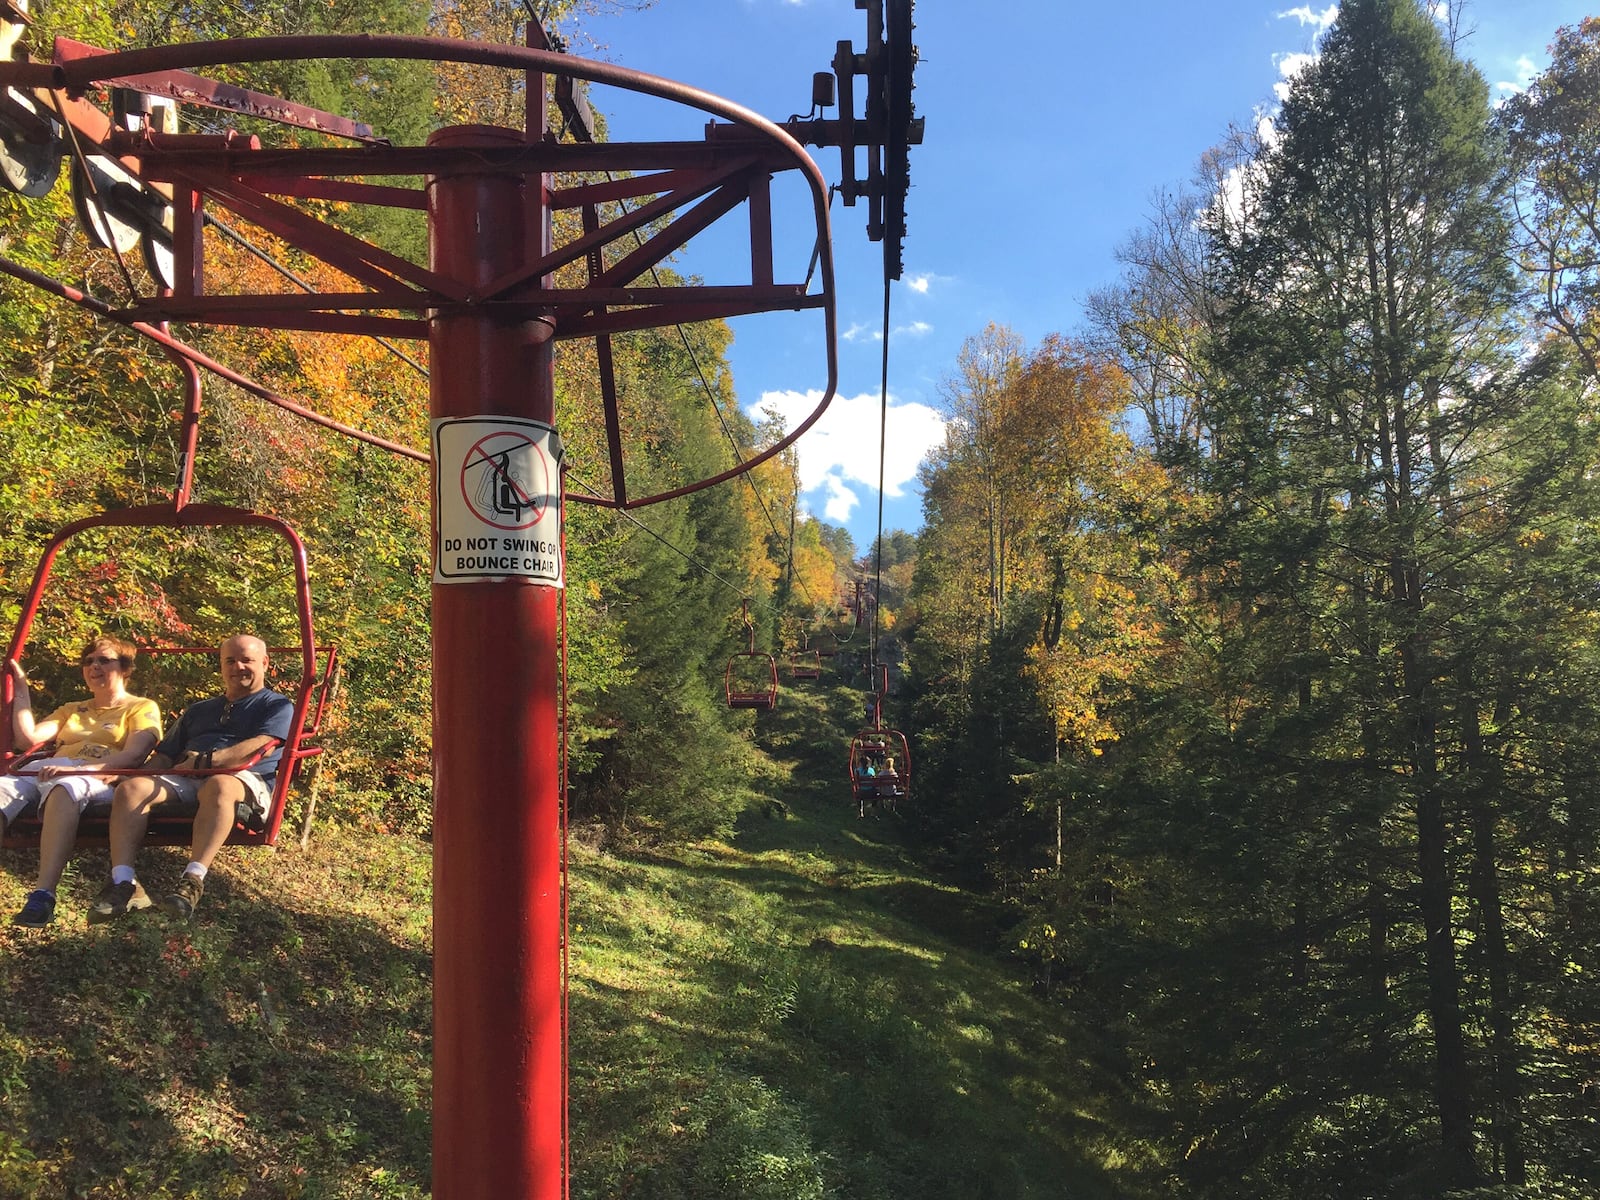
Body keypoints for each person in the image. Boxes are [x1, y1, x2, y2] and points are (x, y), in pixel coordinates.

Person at [91, 634, 293, 924]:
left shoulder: (277, 706)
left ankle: (192, 880)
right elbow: (165, 756)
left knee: (219, 783)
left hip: (245, 778)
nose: (238, 667)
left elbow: (261, 744)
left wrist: (208, 761)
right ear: (221, 666)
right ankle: (125, 883)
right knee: (132, 788)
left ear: (264, 663)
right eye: (230, 661)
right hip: (188, 776)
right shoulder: (199, 710)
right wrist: (124, 776)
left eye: (246, 660)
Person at [4, 637, 163, 928]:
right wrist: (21, 686)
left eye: (104, 660)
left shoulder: (141, 707)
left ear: (125, 668)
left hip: (98, 774)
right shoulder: (73, 709)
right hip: (48, 769)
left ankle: (43, 896)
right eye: (89, 661)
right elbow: (27, 738)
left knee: (65, 790)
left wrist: (85, 770)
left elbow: (135, 753)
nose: (94, 666)